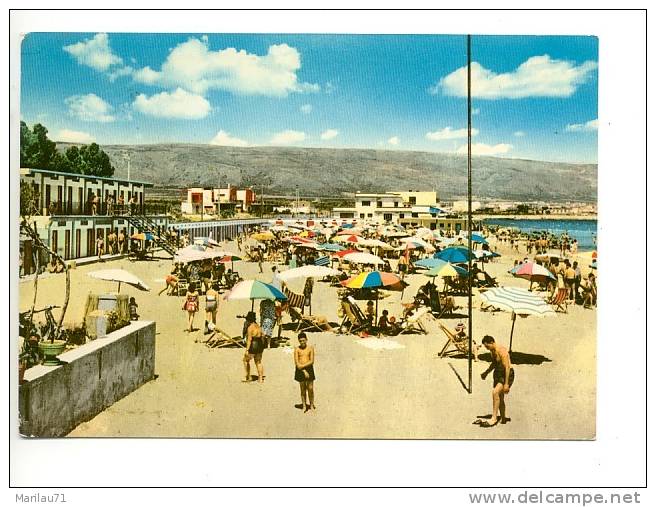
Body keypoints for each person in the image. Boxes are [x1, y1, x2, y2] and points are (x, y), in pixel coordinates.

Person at [479, 335, 514, 427]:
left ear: (492, 342)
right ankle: (503, 418)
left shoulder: (501, 350)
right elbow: (494, 364)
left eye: (487, 346)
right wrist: (486, 373)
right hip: (498, 373)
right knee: (500, 397)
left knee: (495, 393)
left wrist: (506, 384)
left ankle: (494, 418)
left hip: (506, 374)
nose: (487, 348)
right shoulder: (492, 351)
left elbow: (507, 367)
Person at [294, 332, 316, 412]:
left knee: (310, 388)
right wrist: (303, 371)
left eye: (303, 340)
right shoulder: (297, 349)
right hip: (300, 370)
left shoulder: (310, 348)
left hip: (309, 369)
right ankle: (304, 405)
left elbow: (312, 361)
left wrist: (304, 368)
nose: (302, 342)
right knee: (302, 389)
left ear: (306, 340)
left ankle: (311, 404)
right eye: (300, 341)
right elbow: (297, 362)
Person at [243, 311, 265, 383]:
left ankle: (248, 376)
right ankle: (260, 378)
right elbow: (263, 336)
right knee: (258, 362)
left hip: (253, 345)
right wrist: (262, 346)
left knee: (245, 360)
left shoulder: (250, 328)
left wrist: (247, 350)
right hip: (259, 345)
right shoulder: (258, 326)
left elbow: (249, 340)